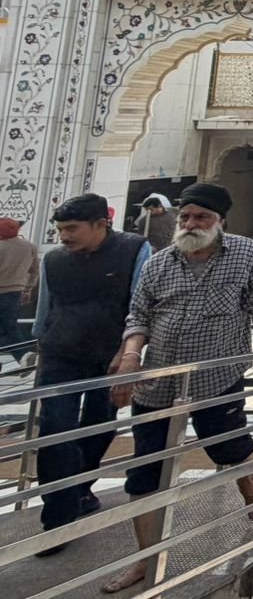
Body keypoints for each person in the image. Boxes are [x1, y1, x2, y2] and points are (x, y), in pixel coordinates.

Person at [101, 183, 253, 595]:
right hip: (159, 380)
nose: (190, 224)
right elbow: (139, 316)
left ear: (219, 221)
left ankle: (250, 483)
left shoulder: (242, 253)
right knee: (145, 469)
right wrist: (131, 356)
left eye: (200, 218)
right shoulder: (159, 263)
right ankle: (145, 561)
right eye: (185, 217)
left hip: (215, 374)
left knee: (225, 443)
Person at [29, 195, 151, 551]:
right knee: (55, 430)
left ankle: (80, 489)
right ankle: (58, 519)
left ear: (101, 225)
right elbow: (46, 309)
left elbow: (140, 303)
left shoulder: (134, 250)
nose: (64, 236)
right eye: (61, 229)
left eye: (72, 229)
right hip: (61, 354)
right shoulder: (54, 260)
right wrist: (41, 345)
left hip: (109, 357)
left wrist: (129, 354)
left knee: (100, 424)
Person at [0, 216, 39, 364]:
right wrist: (28, 288)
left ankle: (23, 354)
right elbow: (35, 271)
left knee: (7, 328)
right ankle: (23, 355)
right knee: (9, 326)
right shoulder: (29, 246)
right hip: (16, 292)